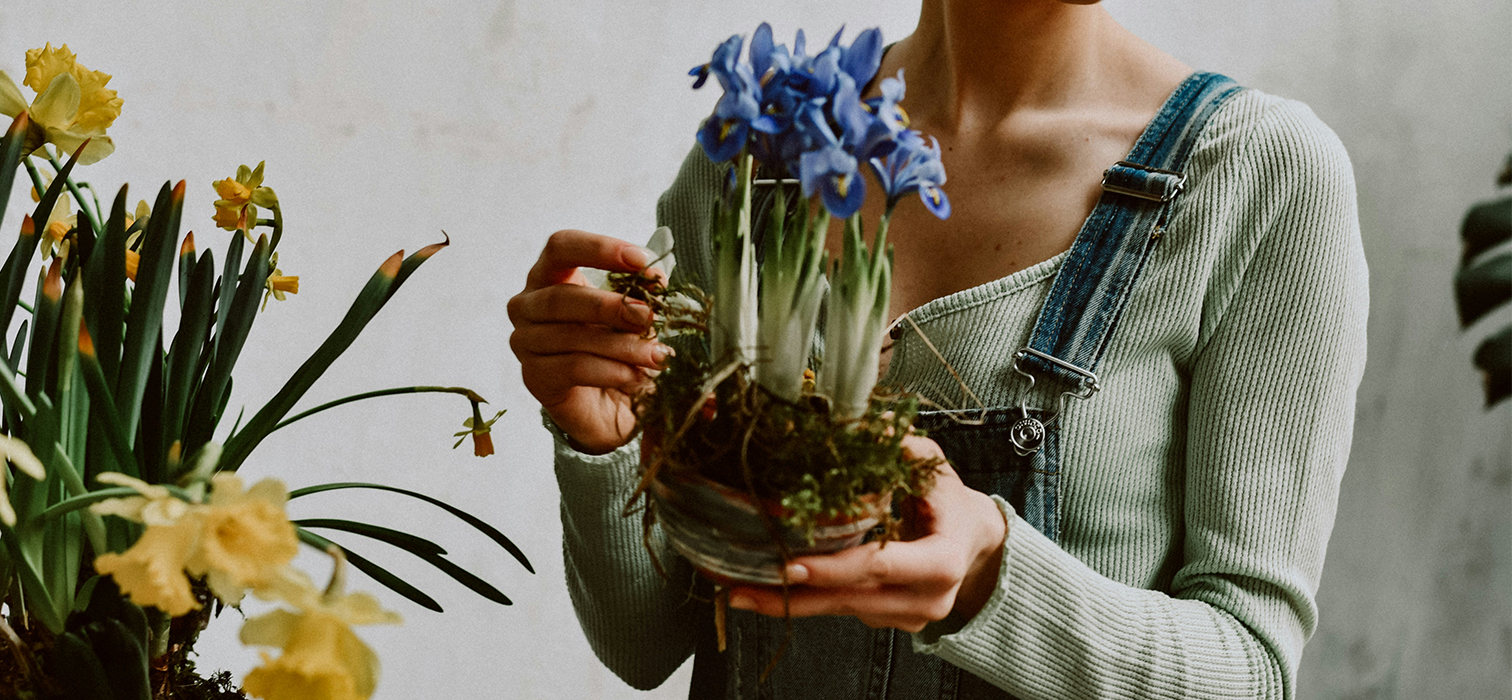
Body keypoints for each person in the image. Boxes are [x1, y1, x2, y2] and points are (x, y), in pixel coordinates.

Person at [507, 0, 1367, 698]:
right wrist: (606, 439)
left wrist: (995, 572)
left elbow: (1249, 668)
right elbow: (646, 643)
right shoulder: (764, 149)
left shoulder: (1258, 177)